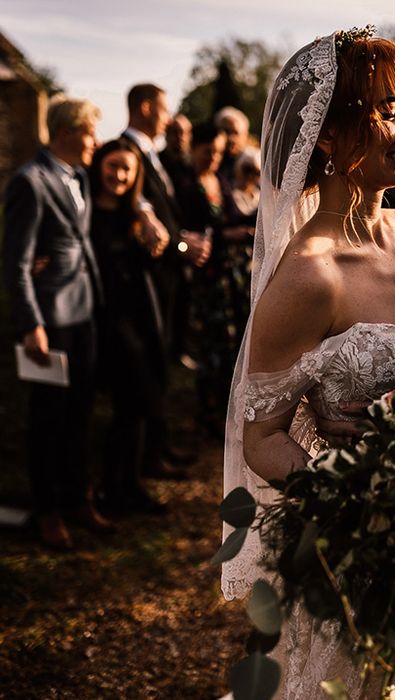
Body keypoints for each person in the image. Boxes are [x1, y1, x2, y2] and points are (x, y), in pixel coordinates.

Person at [222, 31, 395, 698]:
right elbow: (261, 438)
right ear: (328, 137)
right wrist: (357, 502)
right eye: (388, 111)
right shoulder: (309, 277)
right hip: (368, 557)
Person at [2, 95, 114, 549]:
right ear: (66, 132)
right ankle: (47, 511)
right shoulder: (30, 181)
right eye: (89, 133)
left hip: (85, 308)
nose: (95, 141)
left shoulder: (80, 176)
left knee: (80, 413)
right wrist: (31, 323)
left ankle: (77, 498)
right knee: (48, 419)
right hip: (51, 318)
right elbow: (16, 261)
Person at [122, 83, 200, 478]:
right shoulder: (127, 150)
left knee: (160, 363)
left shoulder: (151, 153)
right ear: (147, 107)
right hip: (142, 280)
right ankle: (140, 462)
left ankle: (157, 448)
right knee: (144, 369)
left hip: (166, 274)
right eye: (165, 108)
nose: (168, 117)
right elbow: (132, 199)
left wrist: (183, 241)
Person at [89, 138, 168, 515]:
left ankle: (130, 483)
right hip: (106, 318)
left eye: (127, 169)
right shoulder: (86, 213)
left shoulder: (132, 214)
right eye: (112, 166)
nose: (118, 175)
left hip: (140, 313)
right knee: (128, 401)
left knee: (138, 401)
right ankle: (111, 486)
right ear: (99, 166)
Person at [175, 123, 252, 437]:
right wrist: (228, 235)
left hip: (232, 275)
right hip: (208, 277)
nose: (215, 158)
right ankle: (209, 414)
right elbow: (193, 229)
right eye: (209, 152)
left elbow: (233, 216)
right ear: (194, 149)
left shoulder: (220, 179)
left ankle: (228, 409)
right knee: (212, 345)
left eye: (220, 153)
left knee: (234, 342)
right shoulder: (186, 185)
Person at [214, 106, 252, 191]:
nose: (231, 138)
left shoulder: (252, 164)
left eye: (235, 133)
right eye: (226, 131)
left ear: (245, 136)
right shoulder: (211, 162)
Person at [160, 113, 193, 188]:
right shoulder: (156, 162)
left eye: (186, 132)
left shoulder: (194, 165)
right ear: (166, 134)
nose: (181, 137)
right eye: (176, 132)